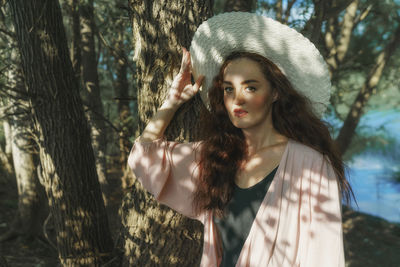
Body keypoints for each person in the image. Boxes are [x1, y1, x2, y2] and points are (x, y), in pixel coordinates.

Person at [128, 12, 353, 267]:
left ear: (275, 92)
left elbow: (324, 256)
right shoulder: (215, 156)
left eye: (251, 87)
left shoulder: (311, 165)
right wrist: (171, 103)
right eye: (228, 89)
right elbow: (144, 158)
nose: (238, 99)